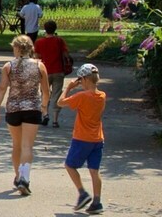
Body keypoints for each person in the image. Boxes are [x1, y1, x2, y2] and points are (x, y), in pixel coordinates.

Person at [0, 34, 49, 196]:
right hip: (32, 108)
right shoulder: (39, 66)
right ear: (31, 48)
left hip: (13, 109)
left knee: (16, 144)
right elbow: (45, 90)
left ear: (16, 48)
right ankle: (25, 177)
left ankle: (18, 176)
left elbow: (2, 88)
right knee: (27, 146)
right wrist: (44, 107)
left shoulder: (8, 66)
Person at [59, 63, 108, 214]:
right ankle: (97, 202)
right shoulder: (102, 95)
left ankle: (82, 193)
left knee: (69, 165)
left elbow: (60, 102)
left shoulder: (82, 96)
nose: (79, 82)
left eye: (80, 79)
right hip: (97, 139)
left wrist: (68, 88)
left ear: (86, 79)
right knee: (94, 170)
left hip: (82, 138)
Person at [35, 20, 73, 127]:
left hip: (44, 72)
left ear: (45, 29)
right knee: (57, 94)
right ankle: (55, 120)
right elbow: (66, 54)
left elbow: (36, 57)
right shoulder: (59, 41)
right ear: (55, 29)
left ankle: (45, 115)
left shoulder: (39, 42)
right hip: (58, 71)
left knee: (44, 93)